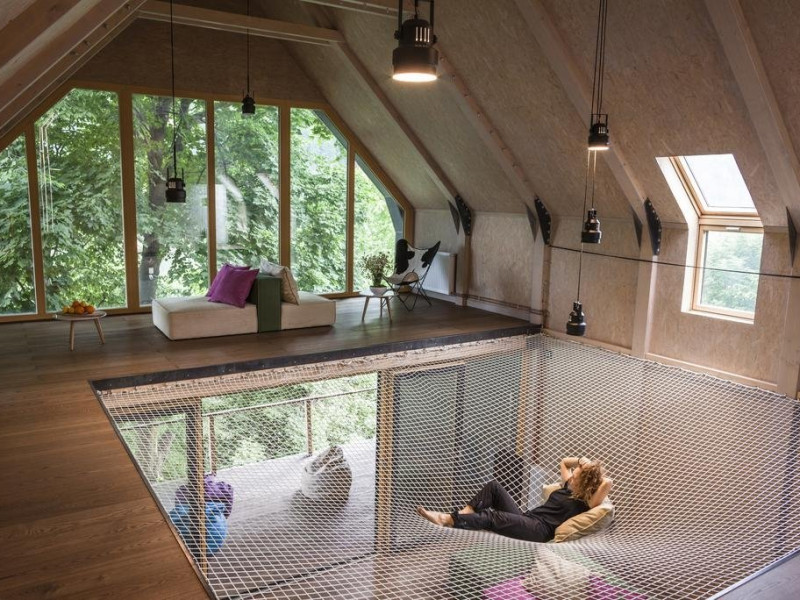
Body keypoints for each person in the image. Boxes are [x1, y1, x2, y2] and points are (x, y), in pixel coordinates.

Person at [416, 456, 612, 543]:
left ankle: (446, 519)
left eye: (577, 477)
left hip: (540, 531)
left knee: (493, 517)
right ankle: (465, 514)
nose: (572, 477)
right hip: (528, 518)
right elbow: (564, 462)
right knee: (494, 487)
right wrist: (580, 461)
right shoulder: (568, 485)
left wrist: (591, 469)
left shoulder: (587, 502)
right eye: (574, 474)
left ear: (586, 483)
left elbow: (607, 483)